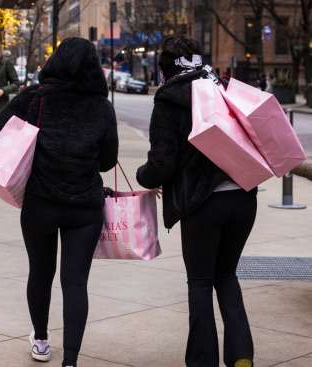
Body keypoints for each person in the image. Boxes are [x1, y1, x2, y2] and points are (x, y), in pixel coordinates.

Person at [0, 38, 118, 367]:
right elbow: (107, 161)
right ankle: (71, 360)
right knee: (75, 282)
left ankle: (41, 341)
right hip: (85, 207)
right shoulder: (101, 106)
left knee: (40, 273)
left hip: (40, 202)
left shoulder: (35, 98)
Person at [136, 36, 256, 367]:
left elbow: (162, 163)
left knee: (201, 282)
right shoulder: (222, 88)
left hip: (203, 204)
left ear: (165, 71)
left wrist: (143, 176)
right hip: (243, 199)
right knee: (227, 276)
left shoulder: (169, 101)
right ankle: (241, 356)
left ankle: (203, 361)